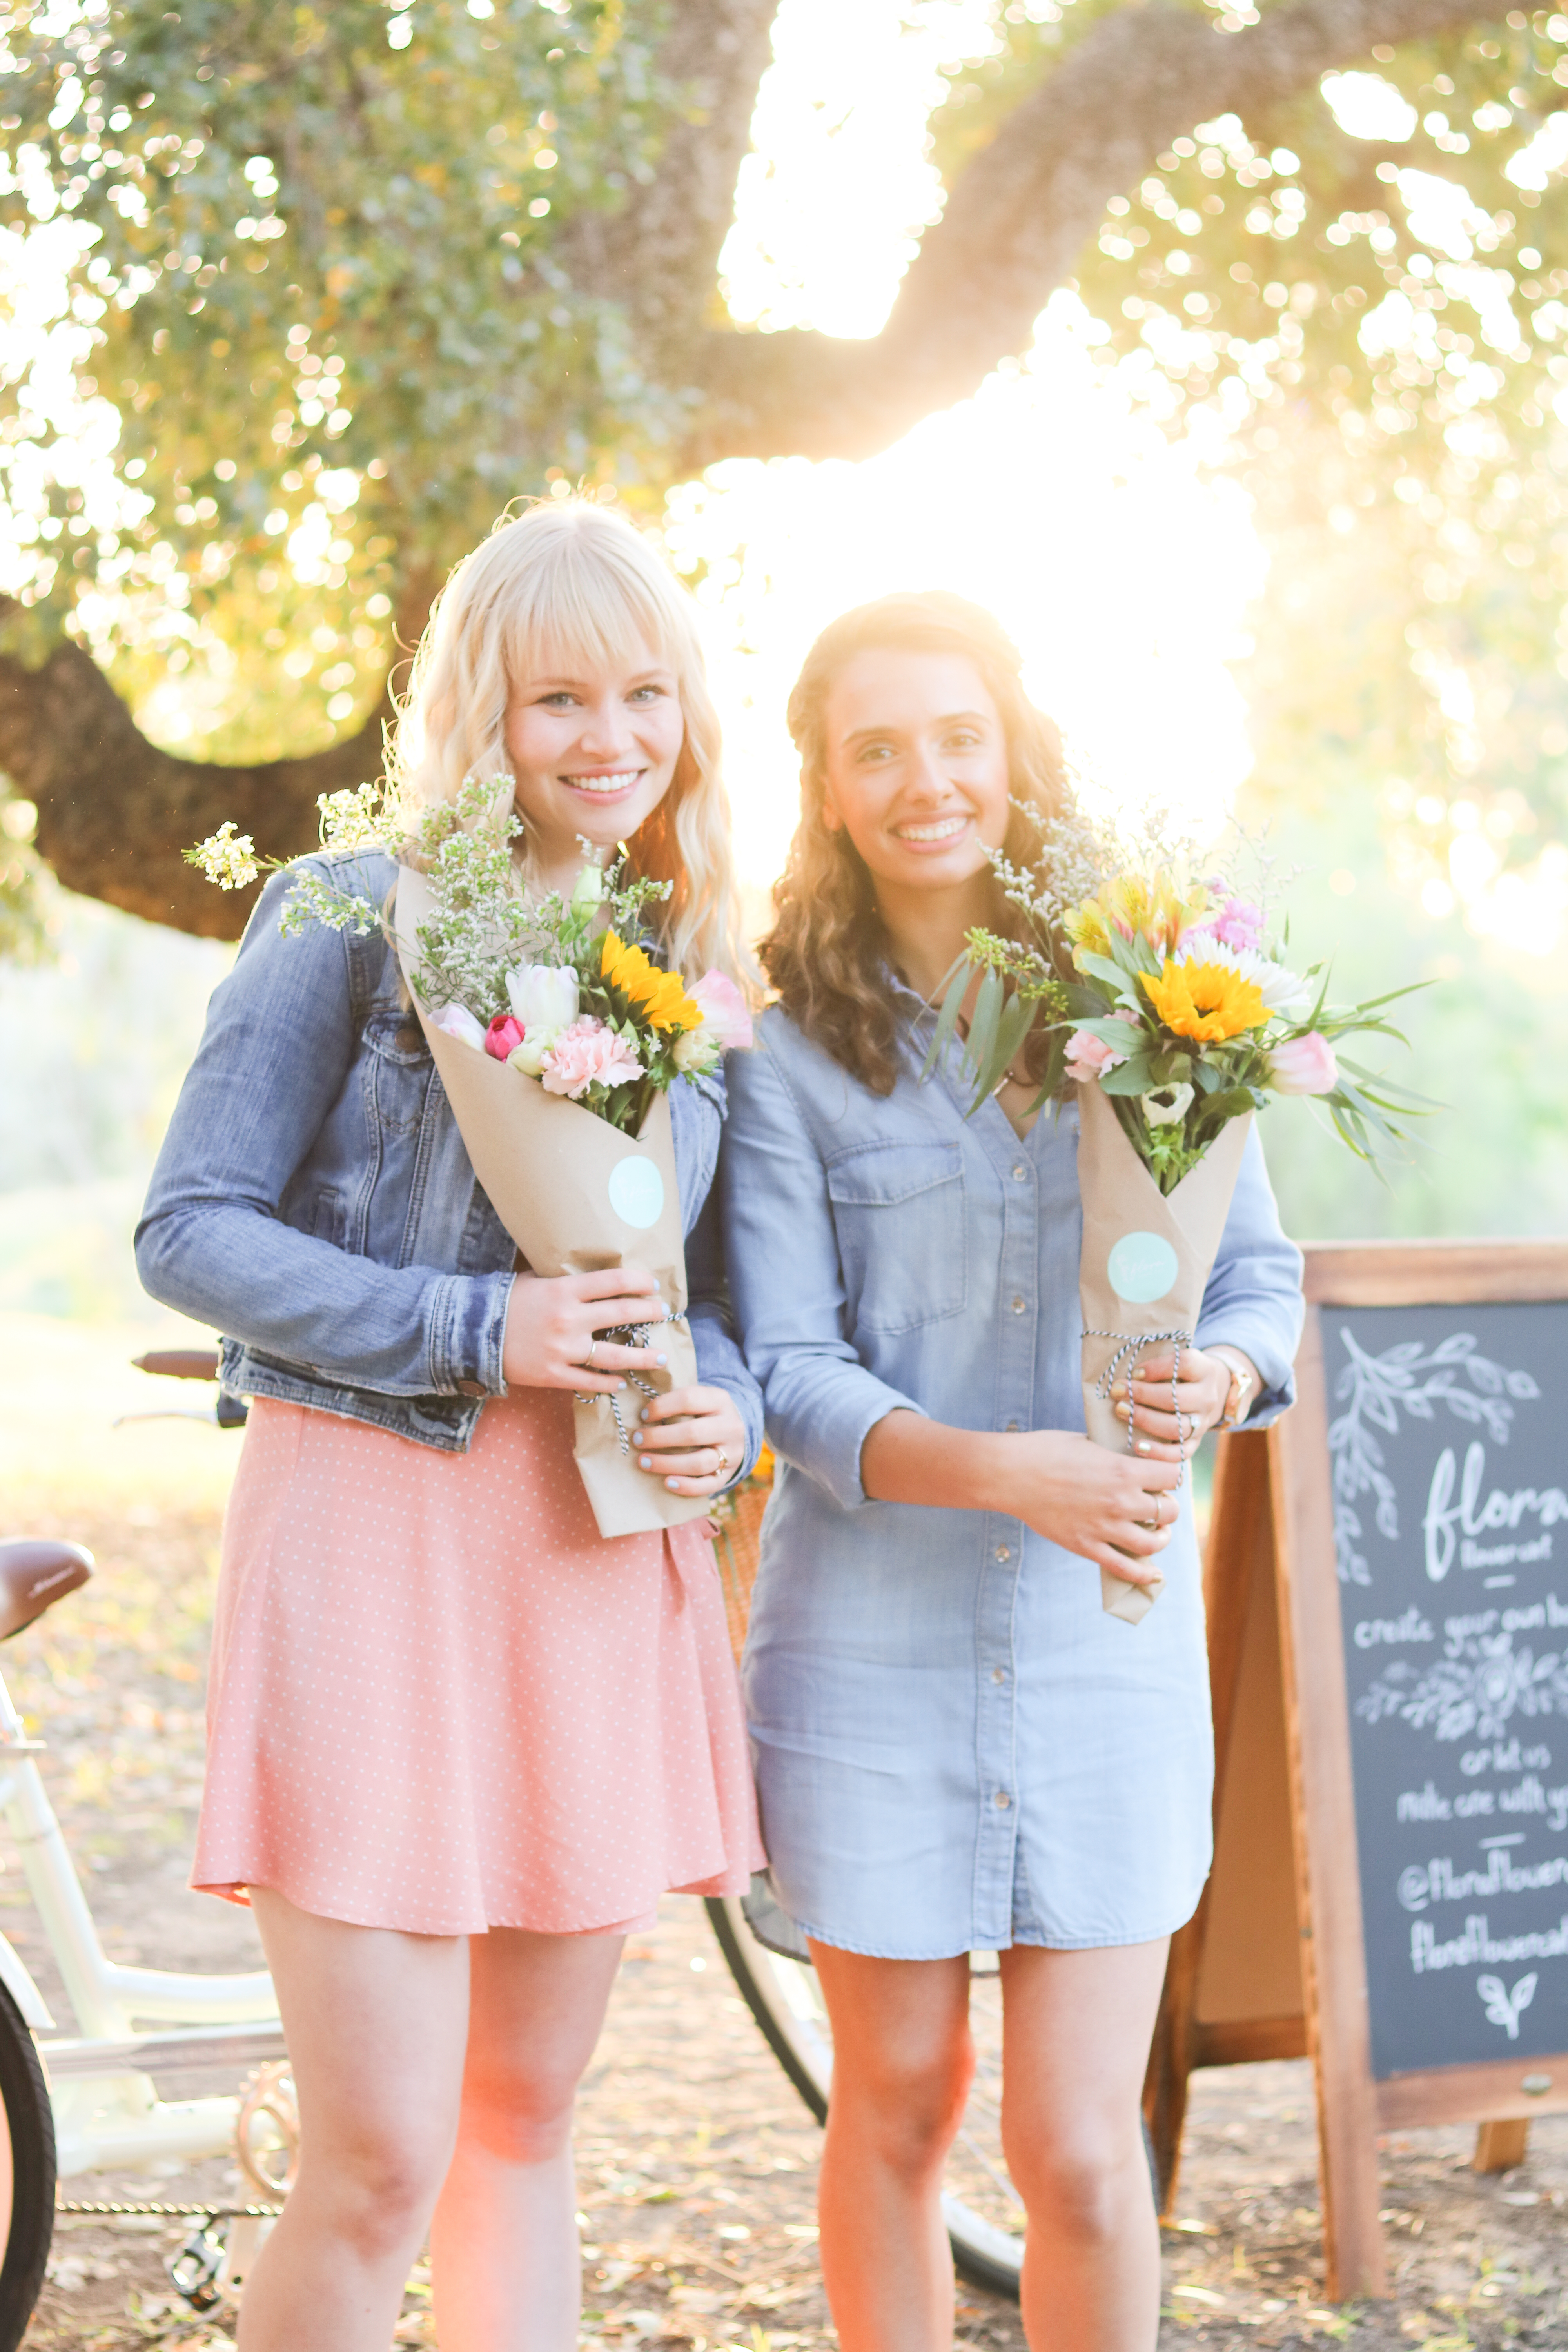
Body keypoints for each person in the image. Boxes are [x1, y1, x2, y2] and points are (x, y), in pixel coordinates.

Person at [136, 499, 766, 2352]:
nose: (609, 739)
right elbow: (189, 1230)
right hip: (372, 1546)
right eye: (556, 696)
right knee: (380, 2155)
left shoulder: (680, 958)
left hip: (583, 1565)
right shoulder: (343, 912)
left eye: (644, 694)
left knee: (522, 2127)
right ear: (476, 707)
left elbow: (690, 1293)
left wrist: (709, 1418)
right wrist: (482, 1327)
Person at [721, 592, 1305, 2352]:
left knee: (1073, 2144)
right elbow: (785, 1374)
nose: (925, 781)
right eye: (878, 749)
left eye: (956, 738)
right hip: (865, 1660)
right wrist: (1002, 1473)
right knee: (889, 2110)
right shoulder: (780, 1050)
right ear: (824, 787)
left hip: (1101, 1657)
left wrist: (1217, 1371)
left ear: (1011, 752)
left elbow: (1263, 1283)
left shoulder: (1159, 1005)